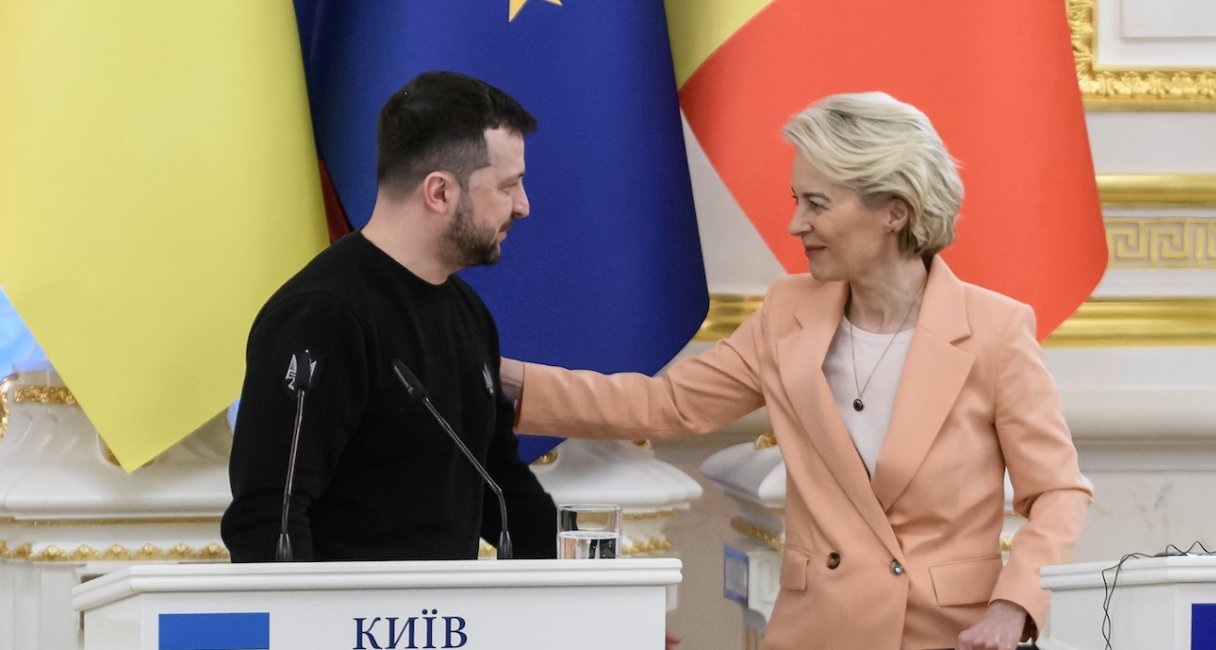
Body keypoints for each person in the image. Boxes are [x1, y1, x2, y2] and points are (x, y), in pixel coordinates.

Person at [503, 92, 1092, 649]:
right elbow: (665, 406)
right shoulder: (788, 313)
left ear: (894, 211)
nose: (795, 225)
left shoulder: (994, 330)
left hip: (949, 633)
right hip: (817, 631)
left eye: (817, 203)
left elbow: (1059, 492)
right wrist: (492, 375)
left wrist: (1014, 605)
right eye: (797, 200)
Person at [222, 71, 557, 562]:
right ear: (440, 192)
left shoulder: (469, 313)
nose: (524, 207)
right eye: (508, 187)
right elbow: (269, 521)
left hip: (452, 629)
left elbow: (502, 489)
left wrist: (588, 592)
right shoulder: (321, 316)